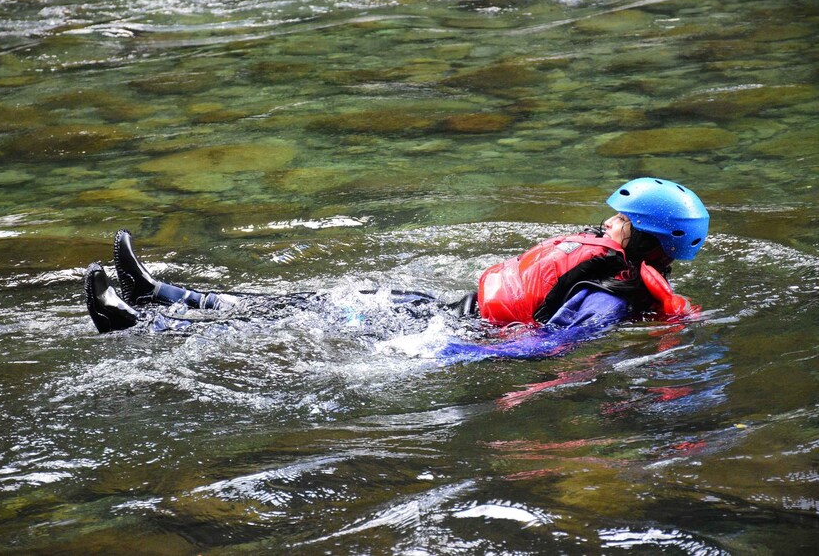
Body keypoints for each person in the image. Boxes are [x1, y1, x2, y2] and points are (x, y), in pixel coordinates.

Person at [83, 177, 709, 361]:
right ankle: (161, 291)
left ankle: (140, 325)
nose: (606, 225)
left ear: (642, 234)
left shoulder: (613, 295)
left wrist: (442, 353)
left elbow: (553, 345)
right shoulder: (609, 268)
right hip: (444, 306)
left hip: (451, 332)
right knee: (310, 300)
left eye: (617, 222)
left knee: (311, 317)